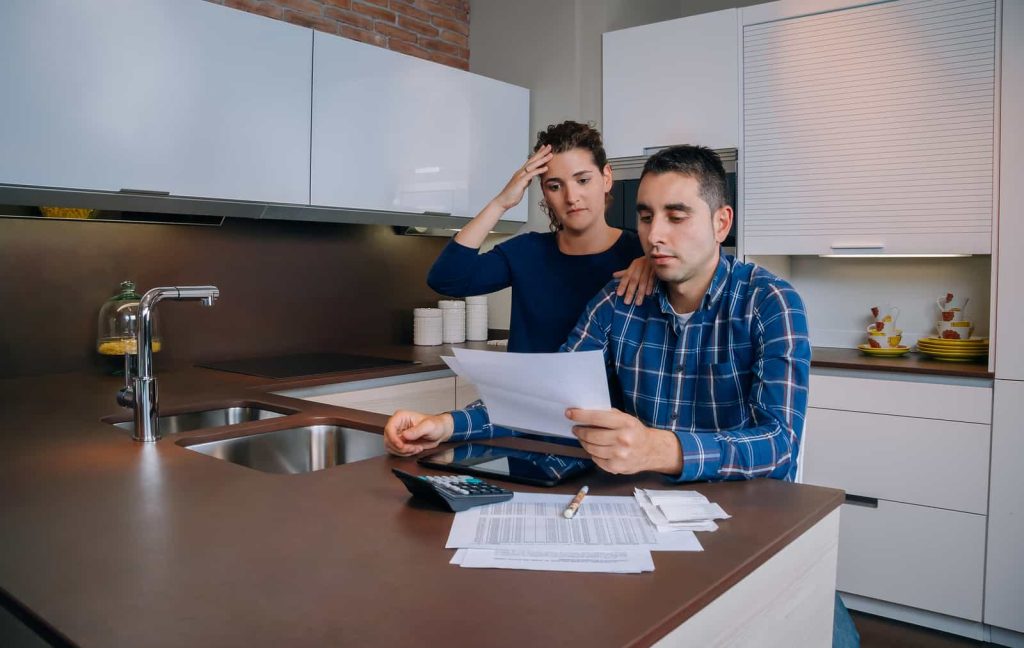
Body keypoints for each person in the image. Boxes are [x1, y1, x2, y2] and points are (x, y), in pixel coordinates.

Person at [388, 144, 859, 647]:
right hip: (640, 522)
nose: (656, 236)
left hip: (750, 526)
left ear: (721, 223)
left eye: (677, 216)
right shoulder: (618, 300)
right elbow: (550, 396)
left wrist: (662, 448)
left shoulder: (770, 301)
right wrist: (447, 425)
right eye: (647, 216)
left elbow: (779, 440)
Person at [427, 120, 654, 354]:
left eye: (583, 180)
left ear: (606, 177)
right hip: (527, 391)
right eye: (555, 186)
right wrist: (501, 202)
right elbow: (446, 278)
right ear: (544, 193)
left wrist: (653, 264)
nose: (571, 197)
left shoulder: (641, 255)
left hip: (606, 392)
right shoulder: (526, 252)